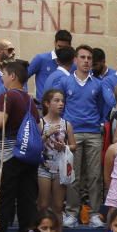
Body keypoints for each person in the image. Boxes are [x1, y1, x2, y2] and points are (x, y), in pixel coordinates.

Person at [0, 59, 41, 232]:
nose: (2, 77)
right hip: (28, 158)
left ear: (12, 76)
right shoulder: (30, 100)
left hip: (6, 158)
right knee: (27, 202)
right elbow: (39, 127)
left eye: (4, 74)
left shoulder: (7, 97)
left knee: (2, 201)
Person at [63, 45, 110, 229]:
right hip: (72, 133)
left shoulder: (98, 83)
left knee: (94, 176)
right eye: (82, 57)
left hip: (93, 133)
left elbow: (103, 106)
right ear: (75, 60)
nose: (86, 61)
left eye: (89, 58)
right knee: (73, 175)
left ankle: (94, 214)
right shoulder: (66, 81)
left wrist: (99, 122)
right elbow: (62, 104)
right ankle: (72, 213)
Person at [38, 88, 76, 216]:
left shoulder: (66, 124)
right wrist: (47, 134)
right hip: (43, 168)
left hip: (61, 168)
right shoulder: (40, 123)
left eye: (62, 101)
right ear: (47, 104)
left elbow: (74, 146)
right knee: (43, 204)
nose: (61, 103)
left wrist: (64, 147)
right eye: (57, 100)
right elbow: (35, 145)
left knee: (58, 205)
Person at [29, 29, 73, 100]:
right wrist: (24, 95)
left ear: (70, 46)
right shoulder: (41, 59)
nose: (61, 50)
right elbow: (23, 76)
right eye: (59, 46)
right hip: (42, 107)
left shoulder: (72, 64)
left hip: (63, 107)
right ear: (55, 43)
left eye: (64, 48)